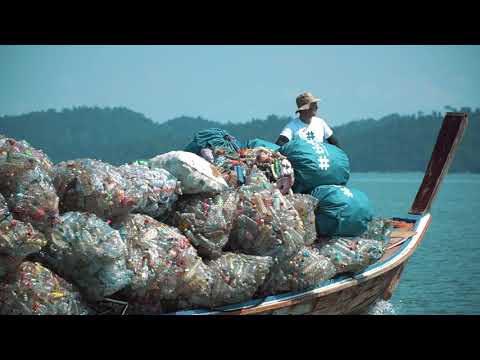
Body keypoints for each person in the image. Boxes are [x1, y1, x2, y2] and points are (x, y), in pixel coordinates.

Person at [275, 92, 340, 147]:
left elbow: (335, 143)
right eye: (314, 105)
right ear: (305, 109)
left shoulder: (320, 122)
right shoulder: (292, 126)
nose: (317, 108)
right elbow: (279, 144)